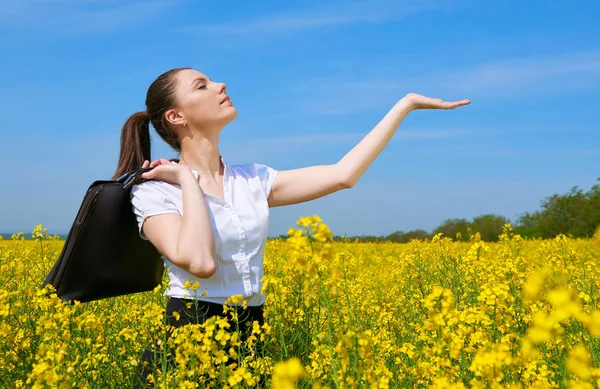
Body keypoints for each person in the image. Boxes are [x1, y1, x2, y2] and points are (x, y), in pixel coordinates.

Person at [111, 67, 470, 387]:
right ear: (176, 116)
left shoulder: (252, 179)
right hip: (188, 337)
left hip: (251, 332)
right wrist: (187, 181)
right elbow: (200, 263)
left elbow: (343, 176)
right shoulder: (155, 191)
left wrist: (405, 105)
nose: (221, 84)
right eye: (202, 85)